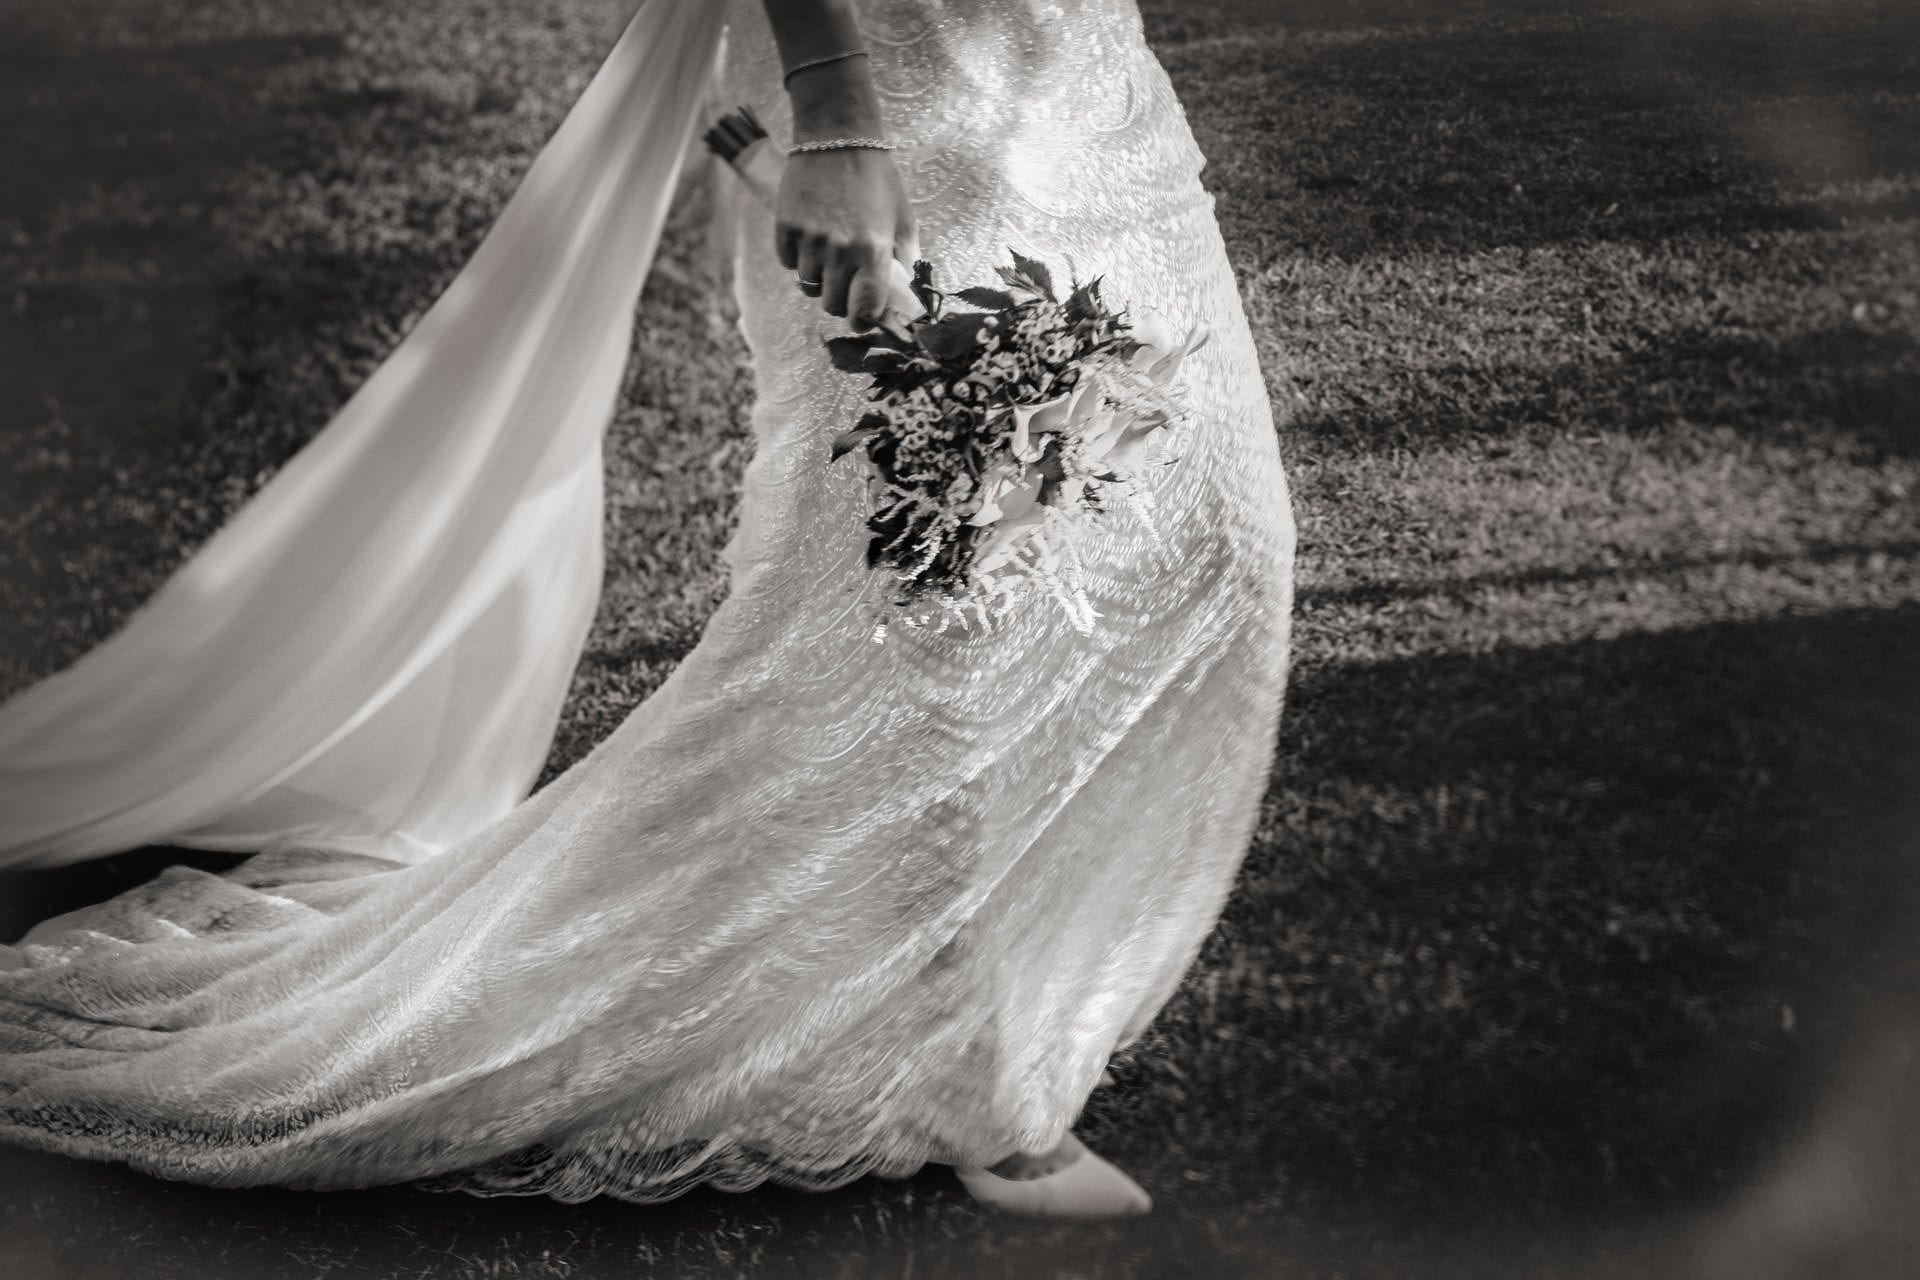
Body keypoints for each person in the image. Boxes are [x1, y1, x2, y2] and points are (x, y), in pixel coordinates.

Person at [0, 0, 1294, 1220]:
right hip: (901, 85)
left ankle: (1004, 999)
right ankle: (986, 1080)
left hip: (1081, 71)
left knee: (1229, 542)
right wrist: (838, 115)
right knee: (928, 586)